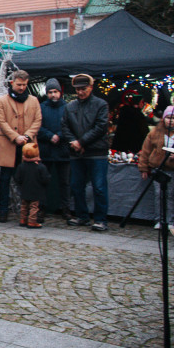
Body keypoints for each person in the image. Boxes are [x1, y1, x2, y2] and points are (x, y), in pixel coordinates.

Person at [59, 73, 110, 232]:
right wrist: (74, 142)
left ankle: (100, 219)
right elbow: (65, 127)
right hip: (77, 153)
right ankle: (82, 215)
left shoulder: (101, 105)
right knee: (76, 186)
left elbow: (100, 127)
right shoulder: (70, 106)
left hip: (96, 152)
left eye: (83, 89)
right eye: (78, 89)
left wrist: (81, 142)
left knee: (99, 187)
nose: (80, 92)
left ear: (91, 88)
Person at [0, 70, 42, 223]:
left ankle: (27, 213)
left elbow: (38, 120)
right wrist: (15, 137)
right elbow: (1, 122)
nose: (21, 88)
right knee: (5, 180)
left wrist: (27, 136)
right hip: (9, 145)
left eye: (24, 85)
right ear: (12, 83)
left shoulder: (33, 100)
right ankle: (3, 211)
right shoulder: (2, 100)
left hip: (27, 146)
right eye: (19, 84)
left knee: (28, 180)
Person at [138, 105, 174, 230]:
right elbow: (146, 149)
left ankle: (171, 221)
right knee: (159, 195)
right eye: (168, 117)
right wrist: (143, 167)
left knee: (171, 195)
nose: (170, 120)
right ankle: (159, 219)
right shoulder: (155, 132)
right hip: (157, 168)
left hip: (173, 169)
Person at [37, 78, 72, 220]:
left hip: (63, 150)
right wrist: (49, 135)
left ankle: (66, 208)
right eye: (50, 92)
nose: (53, 95)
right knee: (43, 181)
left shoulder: (68, 107)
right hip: (46, 150)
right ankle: (42, 208)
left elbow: (71, 126)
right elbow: (36, 126)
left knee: (65, 182)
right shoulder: (41, 107)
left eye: (55, 92)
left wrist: (59, 135)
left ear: (60, 92)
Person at [14, 142, 50, 229]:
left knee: (24, 205)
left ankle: (23, 219)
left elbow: (17, 178)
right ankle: (32, 221)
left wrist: (20, 184)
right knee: (34, 206)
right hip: (36, 190)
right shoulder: (40, 167)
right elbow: (45, 178)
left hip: (24, 189)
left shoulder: (21, 166)